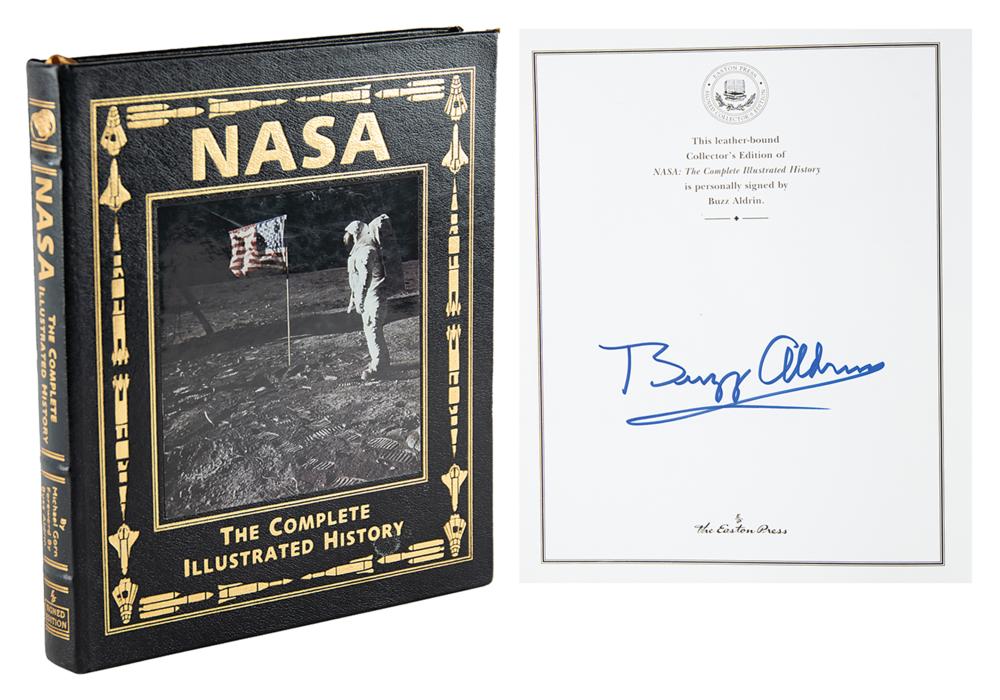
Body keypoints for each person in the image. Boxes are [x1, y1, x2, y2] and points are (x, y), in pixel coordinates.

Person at [344, 217, 391, 380]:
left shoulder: (367, 251)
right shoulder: (363, 250)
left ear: (356, 235)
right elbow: (357, 279)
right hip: (371, 297)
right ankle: (382, 362)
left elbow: (365, 278)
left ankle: (379, 367)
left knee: (373, 330)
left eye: (350, 236)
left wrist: (360, 300)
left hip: (373, 297)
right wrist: (354, 298)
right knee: (372, 330)